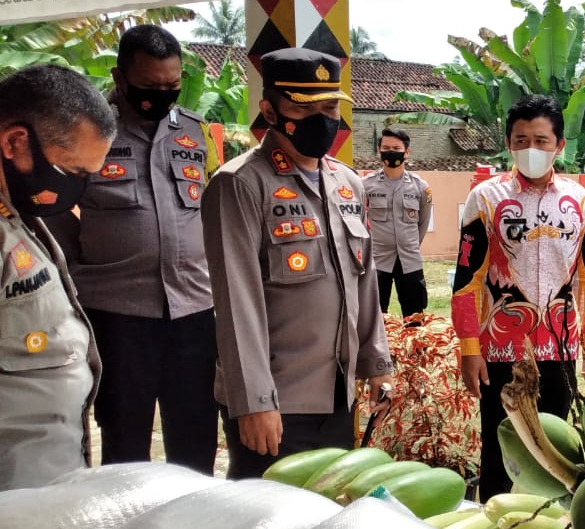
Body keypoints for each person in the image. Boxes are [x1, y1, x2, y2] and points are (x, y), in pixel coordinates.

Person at [202, 47, 394, 479]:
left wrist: (376, 364)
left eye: (329, 107)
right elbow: (236, 304)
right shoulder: (240, 184)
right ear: (269, 110)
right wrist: (253, 402)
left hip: (337, 398)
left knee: (328, 521)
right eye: (302, 108)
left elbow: (365, 285)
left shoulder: (347, 184)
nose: (321, 119)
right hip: (277, 401)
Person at [46, 25, 221, 474]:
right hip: (118, 314)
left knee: (196, 434)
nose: (162, 94)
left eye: (171, 85)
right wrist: (85, 265)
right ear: (121, 78)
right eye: (149, 86)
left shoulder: (195, 133)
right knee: (125, 441)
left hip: (192, 311)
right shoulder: (89, 133)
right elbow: (55, 211)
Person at [452, 94, 585, 499]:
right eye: (521, 140)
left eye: (541, 140)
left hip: (558, 348)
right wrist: (469, 348)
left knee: (553, 449)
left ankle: (548, 526)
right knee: (501, 447)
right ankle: (493, 524)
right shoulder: (485, 199)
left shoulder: (580, 201)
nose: (531, 149)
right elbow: (467, 280)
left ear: (559, 145)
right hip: (500, 349)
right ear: (508, 143)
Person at [0, 65, 115, 489]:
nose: (79, 190)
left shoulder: (17, 212)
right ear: (15, 142)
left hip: (39, 490)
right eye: (73, 172)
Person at [364, 127, 432, 315]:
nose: (391, 151)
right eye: (386, 147)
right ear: (379, 150)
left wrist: (409, 245)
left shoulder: (420, 187)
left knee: (415, 318)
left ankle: (416, 346)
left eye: (396, 147)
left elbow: (423, 223)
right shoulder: (366, 185)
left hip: (409, 260)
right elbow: (360, 220)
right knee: (374, 317)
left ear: (406, 152)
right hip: (377, 260)